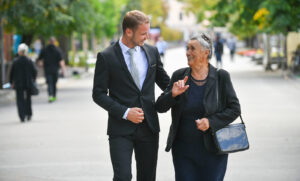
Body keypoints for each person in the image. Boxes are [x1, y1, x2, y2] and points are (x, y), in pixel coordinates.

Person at [92, 10, 170, 181]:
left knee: (147, 177)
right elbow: (98, 94)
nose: (147, 37)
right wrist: (126, 112)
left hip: (148, 127)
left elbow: (166, 83)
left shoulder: (152, 52)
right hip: (120, 128)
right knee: (123, 177)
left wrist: (178, 89)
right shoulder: (106, 57)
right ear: (128, 31)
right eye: (143, 33)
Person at [155, 33, 241, 181]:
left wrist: (210, 122)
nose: (187, 52)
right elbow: (160, 106)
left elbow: (234, 109)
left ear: (206, 53)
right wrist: (173, 94)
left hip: (214, 150)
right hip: (183, 151)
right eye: (187, 48)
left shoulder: (221, 77)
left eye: (192, 49)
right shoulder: (179, 76)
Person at [10, 43, 37, 122]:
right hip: (28, 82)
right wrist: (33, 79)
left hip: (18, 83)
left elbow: (12, 73)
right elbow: (34, 71)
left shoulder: (15, 61)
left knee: (20, 99)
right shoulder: (29, 61)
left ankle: (22, 116)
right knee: (28, 99)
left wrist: (11, 82)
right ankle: (29, 114)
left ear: (19, 51)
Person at [37, 37, 65, 103]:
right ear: (54, 42)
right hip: (55, 70)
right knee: (54, 83)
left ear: (49, 41)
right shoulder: (58, 50)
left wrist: (40, 64)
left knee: (49, 83)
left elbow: (39, 59)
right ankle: (53, 96)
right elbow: (61, 61)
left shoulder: (44, 49)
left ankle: (51, 96)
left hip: (47, 69)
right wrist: (63, 70)